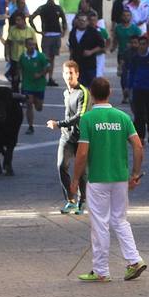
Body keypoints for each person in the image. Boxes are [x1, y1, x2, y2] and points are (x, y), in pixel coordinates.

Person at [68, 77, 146, 284]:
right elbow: (138, 147)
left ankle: (101, 270)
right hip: (120, 177)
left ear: (92, 94)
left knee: (100, 224)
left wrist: (75, 179)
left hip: (98, 178)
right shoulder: (122, 117)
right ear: (110, 92)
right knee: (120, 221)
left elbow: (82, 153)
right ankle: (134, 259)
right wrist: (135, 174)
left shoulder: (88, 119)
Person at [47, 59, 90, 215]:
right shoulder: (66, 92)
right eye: (66, 73)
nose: (68, 76)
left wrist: (58, 124)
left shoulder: (83, 92)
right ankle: (70, 200)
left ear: (77, 74)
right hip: (66, 137)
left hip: (81, 138)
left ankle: (83, 200)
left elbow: (80, 116)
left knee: (82, 171)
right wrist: (63, 128)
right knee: (61, 165)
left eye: (71, 73)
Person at [31, 0, 66, 86]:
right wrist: (37, 31)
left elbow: (63, 19)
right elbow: (31, 18)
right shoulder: (42, 8)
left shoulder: (58, 8)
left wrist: (64, 30)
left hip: (56, 35)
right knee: (45, 58)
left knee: (52, 58)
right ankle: (43, 77)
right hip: (47, 35)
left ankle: (50, 78)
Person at [19, 38, 50, 133]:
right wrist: (18, 77)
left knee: (38, 107)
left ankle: (37, 103)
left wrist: (40, 74)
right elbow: (19, 67)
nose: (31, 46)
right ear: (26, 45)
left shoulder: (40, 56)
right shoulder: (22, 57)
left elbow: (47, 67)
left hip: (39, 85)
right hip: (27, 85)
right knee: (29, 104)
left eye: (33, 44)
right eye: (29, 44)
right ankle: (30, 126)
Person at [67, 11, 106, 82]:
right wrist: (71, 58)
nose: (82, 22)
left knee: (91, 86)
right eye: (80, 20)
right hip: (77, 63)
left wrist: (91, 51)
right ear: (76, 21)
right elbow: (71, 46)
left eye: (84, 20)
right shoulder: (73, 32)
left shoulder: (93, 32)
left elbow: (102, 45)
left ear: (87, 22)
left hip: (89, 64)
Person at [112, 10, 142, 101]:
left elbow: (141, 39)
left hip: (134, 54)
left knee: (134, 73)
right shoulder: (118, 28)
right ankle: (125, 93)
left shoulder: (135, 28)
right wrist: (113, 47)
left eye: (128, 15)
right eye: (124, 15)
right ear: (122, 17)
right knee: (123, 74)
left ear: (130, 17)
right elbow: (116, 39)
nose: (126, 17)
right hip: (121, 54)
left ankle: (133, 92)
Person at [5, 12, 36, 89]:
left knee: (27, 79)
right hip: (15, 58)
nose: (17, 22)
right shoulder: (12, 29)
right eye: (16, 20)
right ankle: (15, 96)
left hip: (27, 58)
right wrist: (7, 54)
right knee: (15, 79)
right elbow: (8, 42)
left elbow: (34, 44)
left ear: (23, 20)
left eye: (19, 20)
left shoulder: (30, 30)